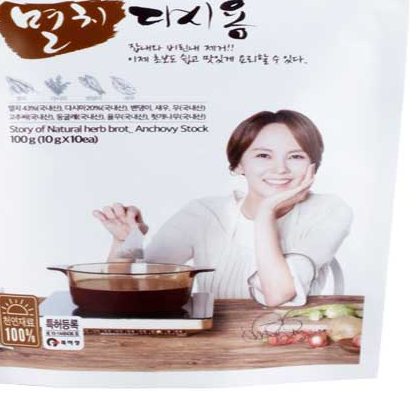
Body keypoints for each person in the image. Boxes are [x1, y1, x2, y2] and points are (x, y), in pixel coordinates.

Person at [93, 110, 353, 307]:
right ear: (239, 164)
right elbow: (134, 289)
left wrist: (266, 213)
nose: (280, 169)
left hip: (291, 343)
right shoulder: (205, 214)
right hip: (213, 344)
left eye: (296, 156)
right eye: (263, 155)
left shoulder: (329, 210)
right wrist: (125, 242)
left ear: (313, 165)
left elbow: (277, 295)